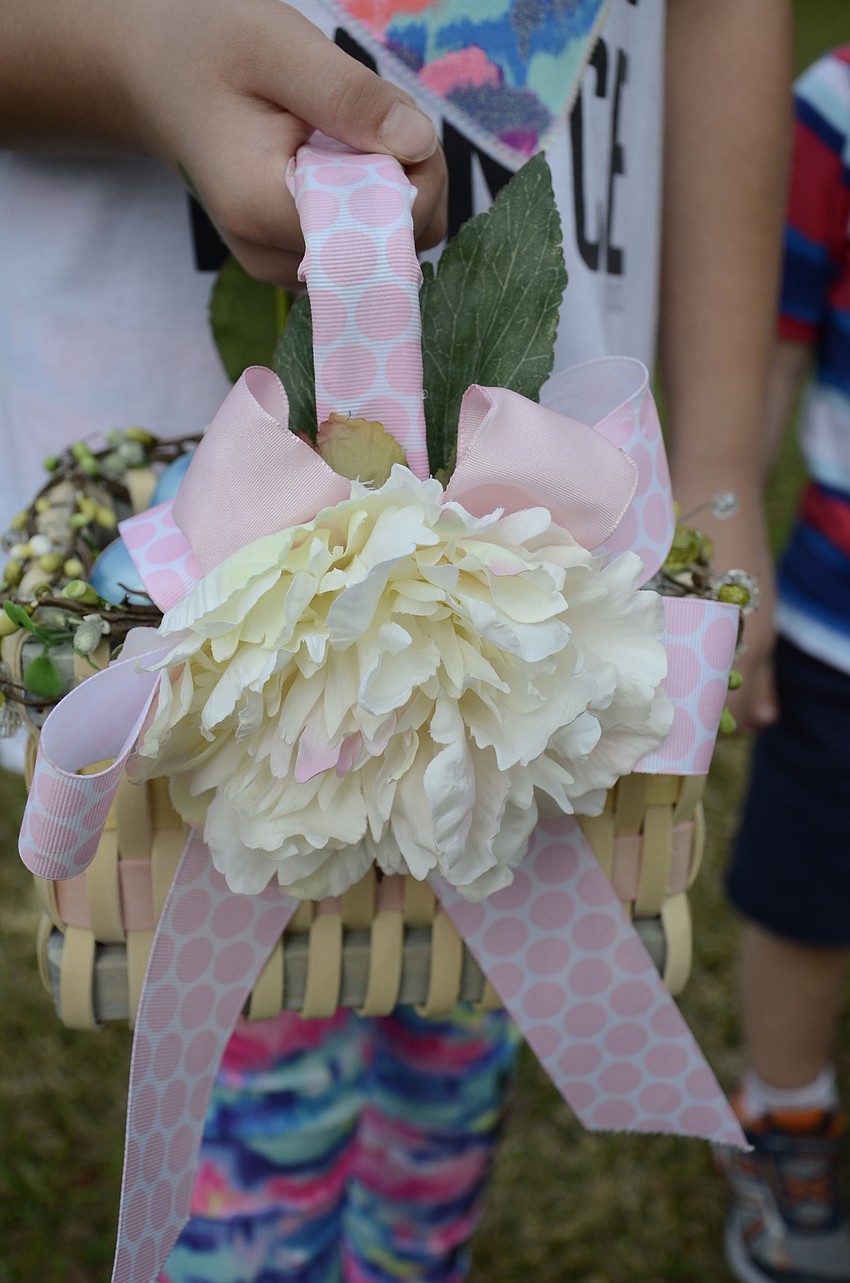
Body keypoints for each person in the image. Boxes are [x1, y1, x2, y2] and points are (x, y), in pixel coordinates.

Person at [0, 1, 791, 1279]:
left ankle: (419, 1244)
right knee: (266, 1013)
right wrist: (136, 58)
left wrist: (713, 458)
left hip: (537, 524)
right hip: (200, 503)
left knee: (459, 961)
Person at [718, 44, 850, 1283]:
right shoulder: (833, 110)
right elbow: (767, 348)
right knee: (810, 900)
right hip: (838, 629)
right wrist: (729, 545)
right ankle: (786, 1115)